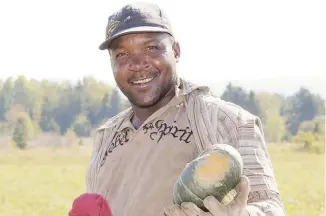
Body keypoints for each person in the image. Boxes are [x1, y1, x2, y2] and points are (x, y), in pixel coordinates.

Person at [85, 2, 286, 216]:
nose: (137, 63)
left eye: (151, 48)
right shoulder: (107, 135)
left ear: (176, 51)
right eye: (122, 54)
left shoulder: (225, 120)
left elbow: (270, 209)